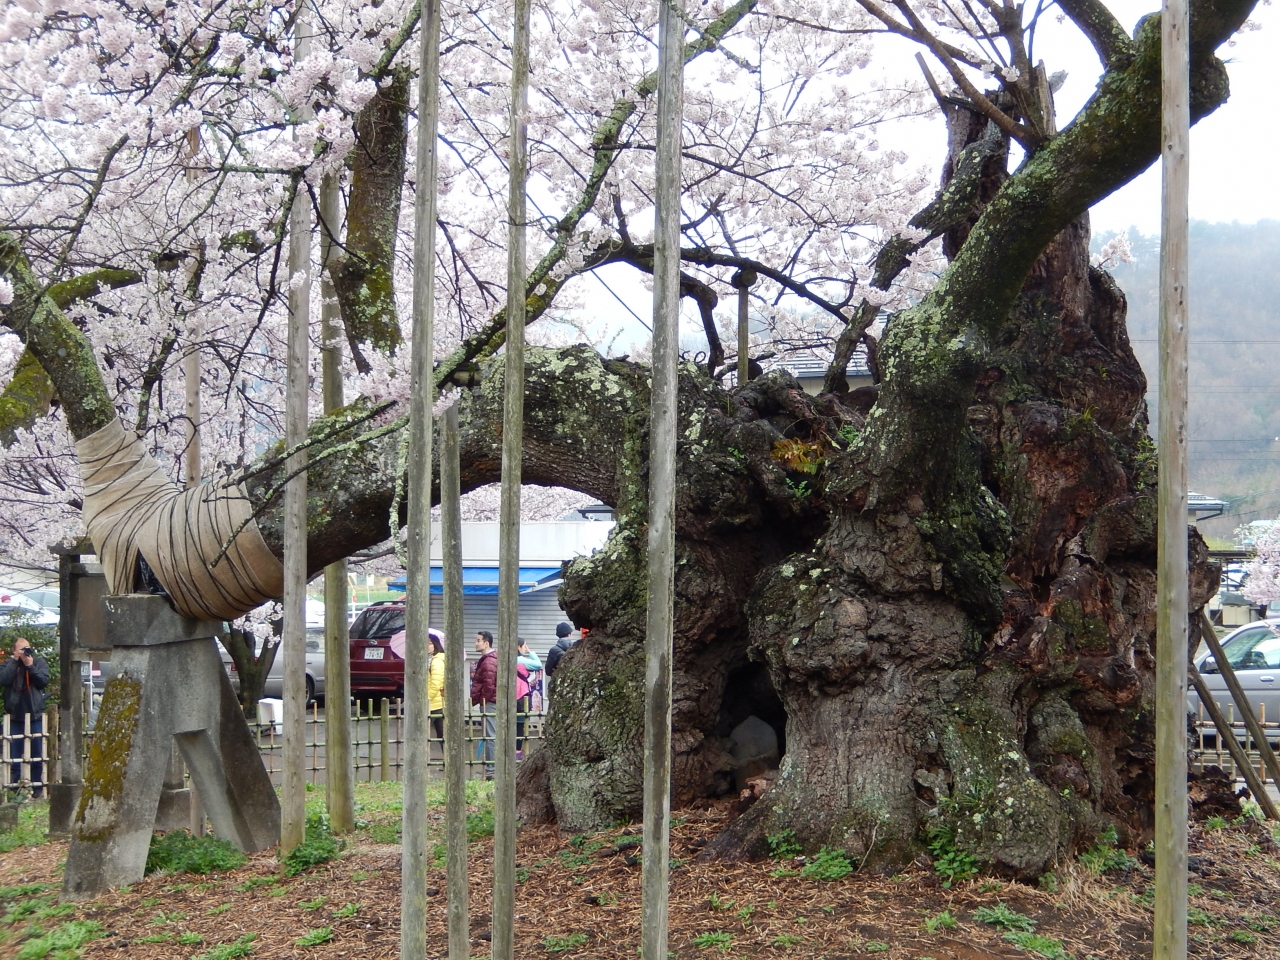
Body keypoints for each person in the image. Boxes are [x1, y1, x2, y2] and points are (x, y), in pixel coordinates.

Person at [0, 637, 49, 797]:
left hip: (35, 715)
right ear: (14, 650)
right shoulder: (8, 664)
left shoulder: (38, 662)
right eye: (21, 649)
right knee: (13, 756)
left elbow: (43, 681)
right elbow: (3, 679)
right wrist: (15, 662)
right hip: (14, 716)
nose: (24, 652)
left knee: (37, 755)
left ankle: (37, 789)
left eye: (27, 648)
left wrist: (30, 666)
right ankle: (13, 790)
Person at [470, 630, 498, 774]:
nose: (476, 643)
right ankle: (491, 767)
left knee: (490, 735)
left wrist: (483, 700)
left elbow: (489, 684)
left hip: (490, 702)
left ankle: (491, 769)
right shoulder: (489, 659)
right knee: (490, 734)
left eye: (478, 640)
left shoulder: (488, 661)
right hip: (491, 701)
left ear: (486, 643)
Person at [427, 629, 446, 744]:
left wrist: (427, 697)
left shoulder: (436, 661)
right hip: (436, 702)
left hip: (434, 703)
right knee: (442, 735)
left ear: (435, 645)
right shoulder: (430, 659)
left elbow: (436, 683)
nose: (426, 646)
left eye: (429, 643)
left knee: (421, 733)